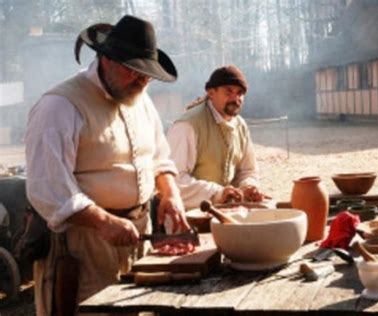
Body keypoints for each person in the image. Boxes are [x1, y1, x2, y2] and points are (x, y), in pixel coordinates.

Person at [25, 15, 190, 315]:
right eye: (134, 72)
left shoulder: (140, 97)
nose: (142, 81)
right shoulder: (59, 106)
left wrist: (170, 192)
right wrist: (103, 221)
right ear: (106, 59)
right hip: (83, 244)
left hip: (140, 233)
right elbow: (48, 188)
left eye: (147, 74)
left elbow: (158, 156)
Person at [167, 65, 268, 210]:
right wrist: (217, 193)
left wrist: (249, 186)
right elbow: (175, 180)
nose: (235, 98)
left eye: (240, 93)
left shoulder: (240, 125)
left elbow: (248, 170)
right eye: (228, 91)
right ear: (211, 92)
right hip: (187, 218)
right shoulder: (188, 125)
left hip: (225, 212)